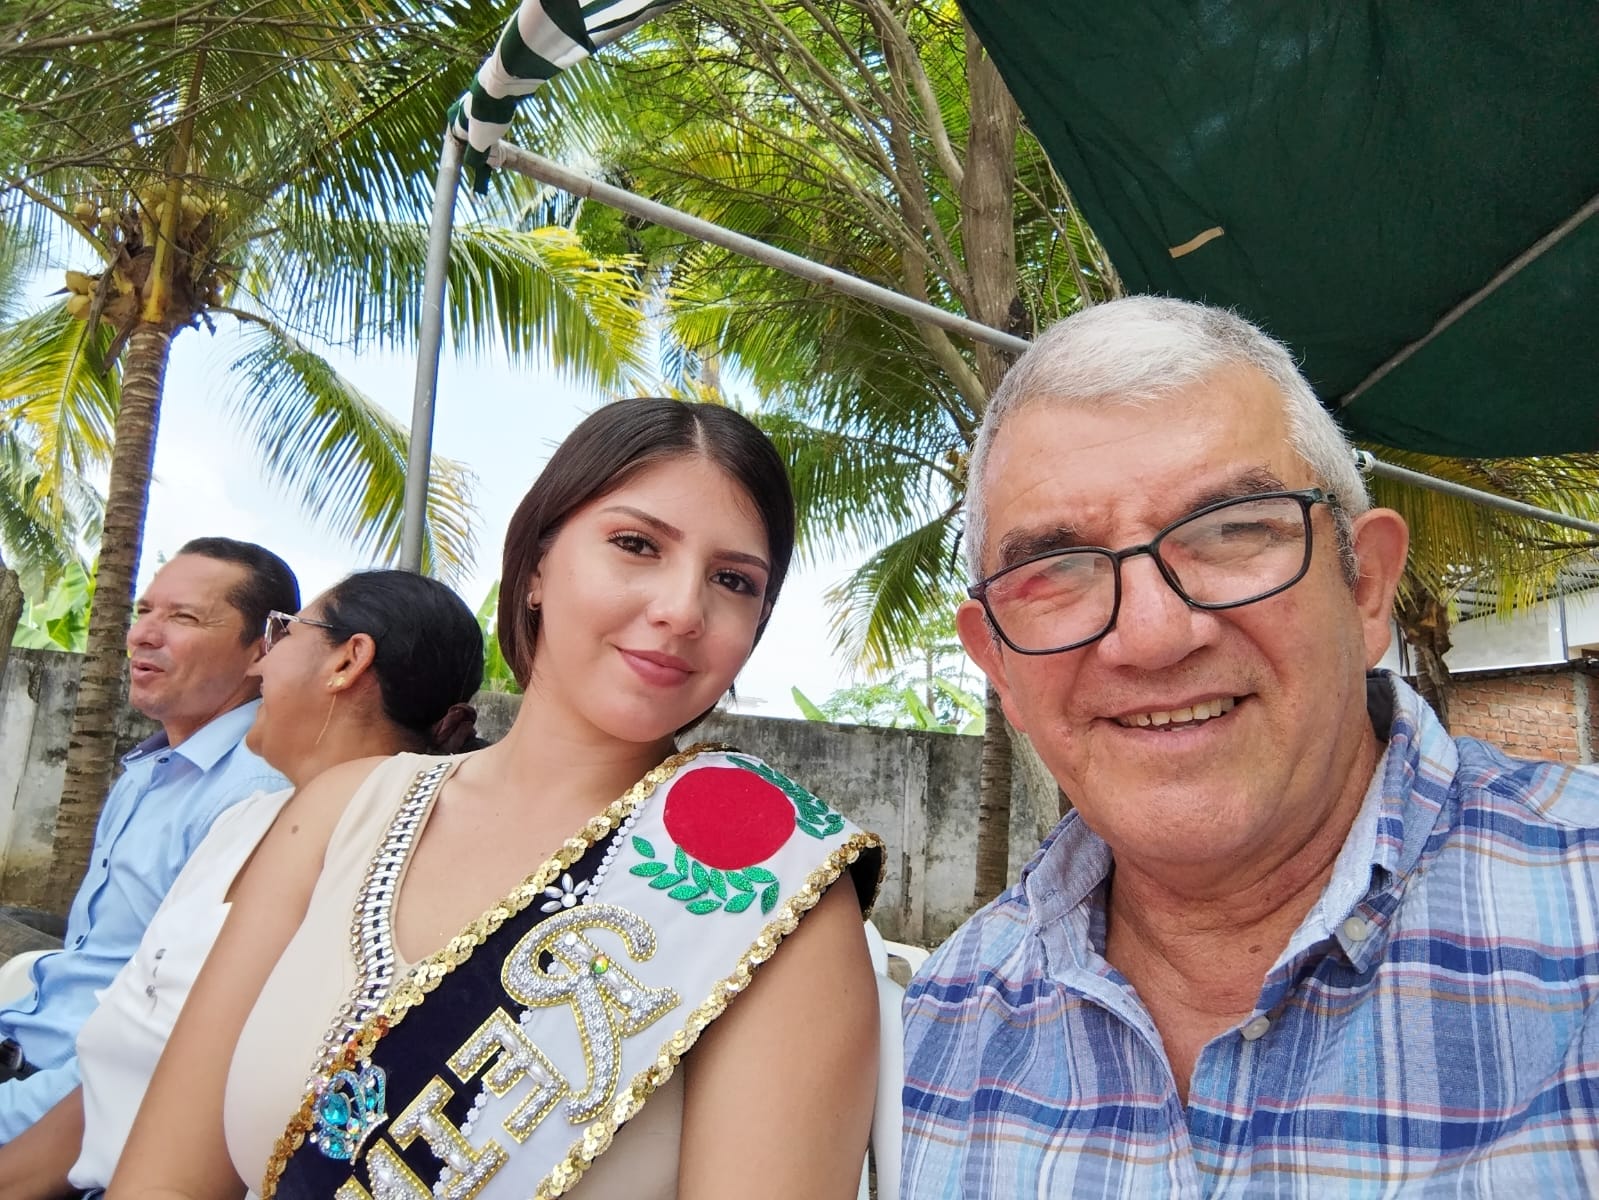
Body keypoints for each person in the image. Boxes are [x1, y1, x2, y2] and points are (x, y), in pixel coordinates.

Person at [901, 296, 1599, 1195]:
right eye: (1056, 571)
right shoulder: (939, 1024)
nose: (1152, 636)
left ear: (1366, 587)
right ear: (998, 664)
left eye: (1232, 533)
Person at [111, 398, 884, 1200]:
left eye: (733, 580)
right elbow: (165, 1180)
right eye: (635, 544)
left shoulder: (777, 897)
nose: (683, 610)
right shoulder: (338, 814)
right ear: (538, 565)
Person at [0, 569, 484, 1194]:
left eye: (283, 633)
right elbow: (108, 1092)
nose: (259, 665)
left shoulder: (387, 880)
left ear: (347, 662)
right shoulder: (245, 821)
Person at [0, 538, 298, 1142]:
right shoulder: (151, 769)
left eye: (183, 617)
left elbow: (160, 1045)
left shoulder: (254, 796)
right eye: (143, 611)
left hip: (65, 1108)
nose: (142, 634)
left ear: (264, 648)